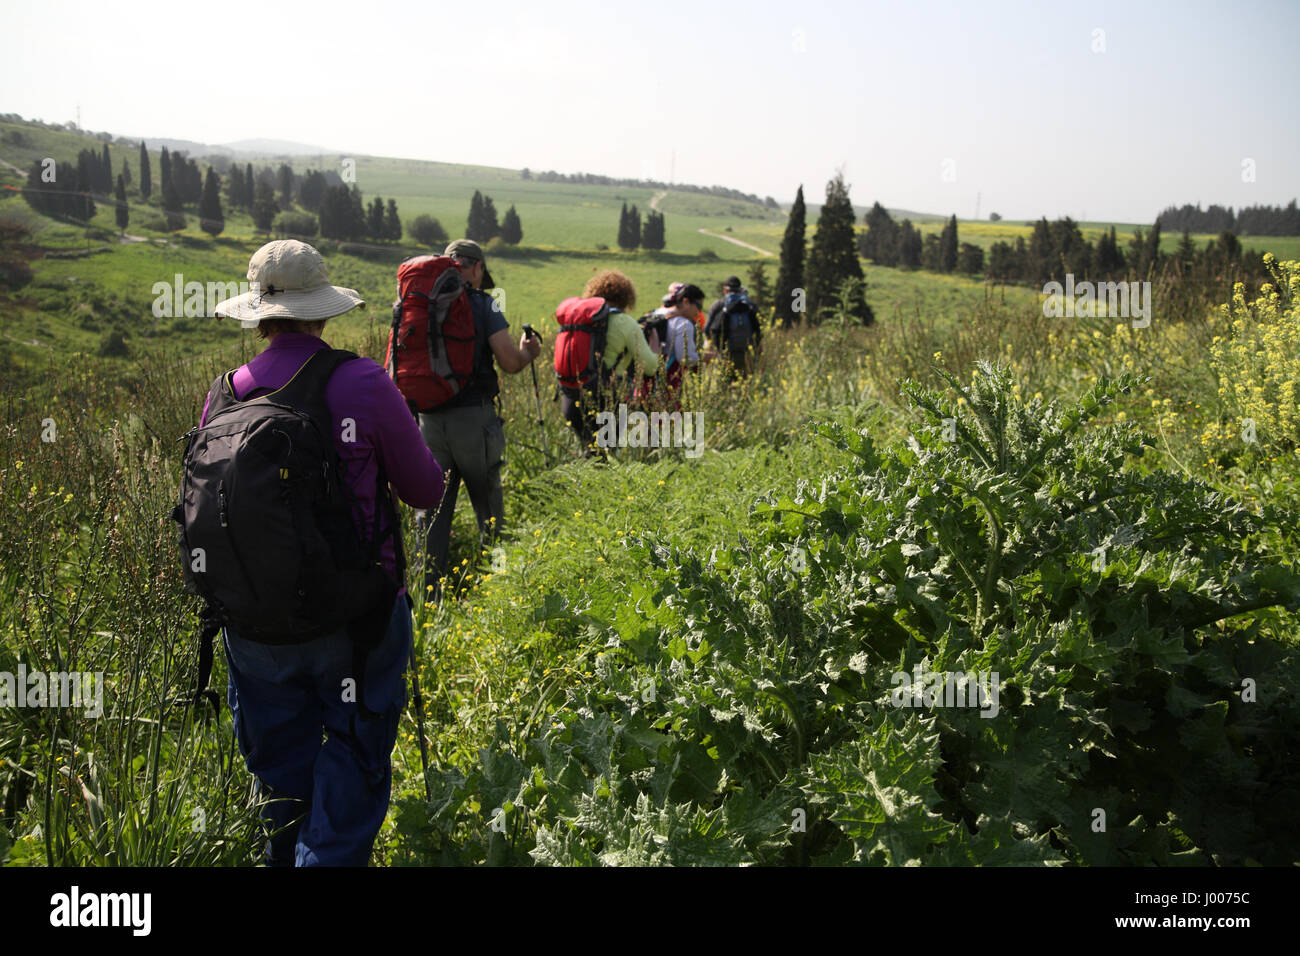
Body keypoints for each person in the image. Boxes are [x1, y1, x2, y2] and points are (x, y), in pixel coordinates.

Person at [202, 239, 444, 866]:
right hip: (354, 620)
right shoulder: (360, 380)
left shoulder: (225, 394)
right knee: (354, 759)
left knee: (280, 778)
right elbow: (424, 491)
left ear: (259, 314)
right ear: (322, 310)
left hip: (252, 623)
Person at [417, 238, 541, 602]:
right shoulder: (482, 303)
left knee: (433, 512)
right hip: (474, 421)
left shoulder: (419, 305)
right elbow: (510, 362)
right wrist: (530, 351)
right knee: (488, 509)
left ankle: (429, 599)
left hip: (427, 424)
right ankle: (498, 588)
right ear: (477, 268)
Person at [558, 269, 661, 451]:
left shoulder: (581, 321)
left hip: (571, 398)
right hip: (609, 399)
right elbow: (651, 368)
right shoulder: (626, 323)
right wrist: (655, 346)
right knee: (606, 458)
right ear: (626, 297)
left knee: (588, 454)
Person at [704, 275, 763, 378]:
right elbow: (758, 329)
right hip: (747, 351)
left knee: (725, 381)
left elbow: (707, 330)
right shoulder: (751, 305)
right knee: (746, 381)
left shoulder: (718, 305)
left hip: (724, 352)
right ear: (740, 289)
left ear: (725, 290)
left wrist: (714, 347)